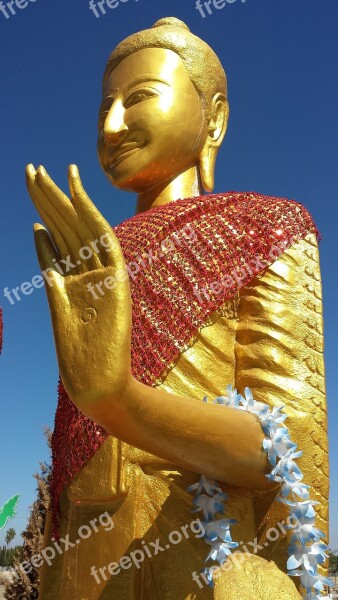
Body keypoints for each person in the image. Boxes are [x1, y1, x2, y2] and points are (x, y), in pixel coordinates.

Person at [26, 17, 328, 600]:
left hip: (193, 554)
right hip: (73, 562)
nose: (111, 127)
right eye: (103, 108)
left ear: (213, 119)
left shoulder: (263, 227)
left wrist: (120, 401)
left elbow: (283, 445)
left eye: (138, 98)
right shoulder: (95, 254)